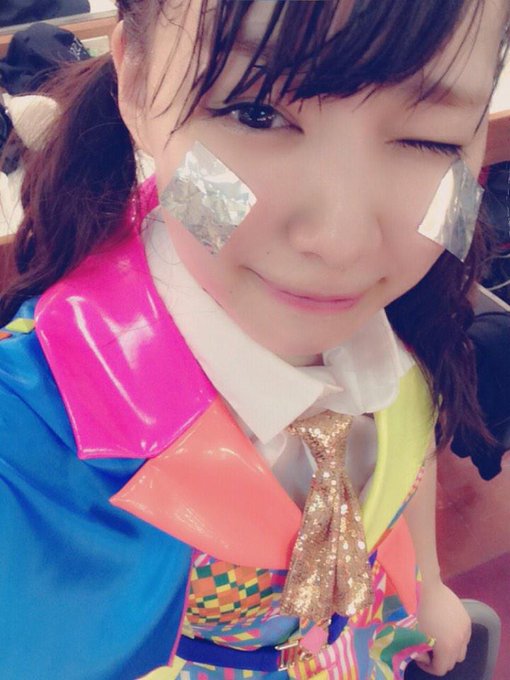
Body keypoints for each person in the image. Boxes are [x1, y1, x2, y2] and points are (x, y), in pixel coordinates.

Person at [0, 1, 508, 678]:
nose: (340, 243)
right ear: (137, 85)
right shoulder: (32, 433)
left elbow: (403, 440)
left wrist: (430, 584)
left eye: (430, 139)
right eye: (256, 113)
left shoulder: (400, 313)